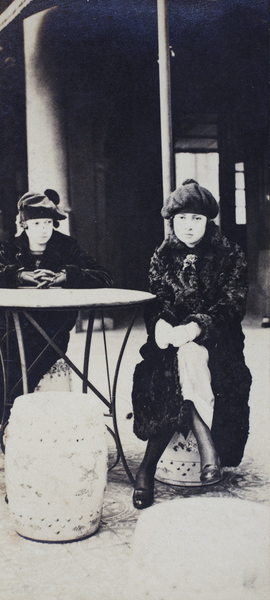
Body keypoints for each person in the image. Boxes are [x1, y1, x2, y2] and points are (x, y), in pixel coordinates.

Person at [131, 179, 252, 509]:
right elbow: (158, 300)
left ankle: (146, 470)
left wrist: (198, 326)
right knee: (182, 357)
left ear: (208, 221)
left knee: (188, 356)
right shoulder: (162, 255)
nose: (188, 226)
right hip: (171, 342)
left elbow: (233, 304)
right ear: (171, 221)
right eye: (182, 219)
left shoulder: (229, 254)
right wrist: (163, 323)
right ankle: (205, 446)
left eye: (196, 219)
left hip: (219, 342)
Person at [0, 189, 114, 449]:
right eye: (36, 224)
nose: (43, 230)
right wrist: (18, 276)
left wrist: (67, 276)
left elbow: (105, 277)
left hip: (51, 328)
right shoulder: (13, 250)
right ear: (24, 226)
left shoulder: (67, 247)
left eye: (47, 223)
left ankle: (11, 427)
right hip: (10, 324)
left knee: (21, 370)